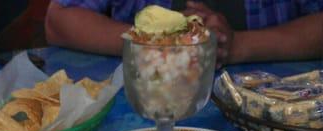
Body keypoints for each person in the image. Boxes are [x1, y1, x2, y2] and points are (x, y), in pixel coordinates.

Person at [45, 0, 323, 67]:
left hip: (282, 109)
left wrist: (238, 46)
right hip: (141, 100)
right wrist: (155, 41)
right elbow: (60, 20)